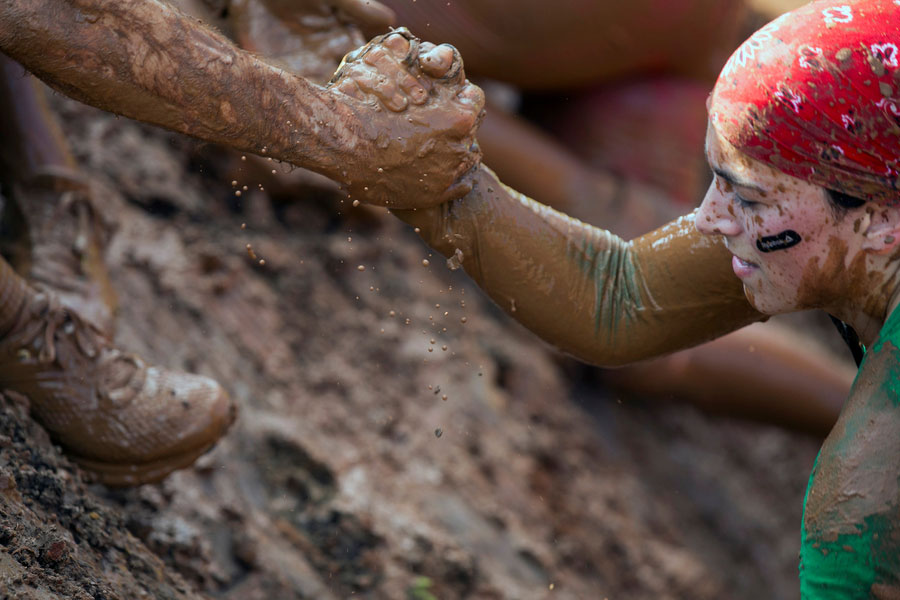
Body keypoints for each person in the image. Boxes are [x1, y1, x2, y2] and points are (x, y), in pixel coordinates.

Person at [329, 1, 899, 593]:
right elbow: (622, 295)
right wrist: (427, 174)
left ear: (884, 221)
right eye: (719, 185)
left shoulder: (861, 509)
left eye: (749, 199)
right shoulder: (831, 209)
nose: (705, 219)